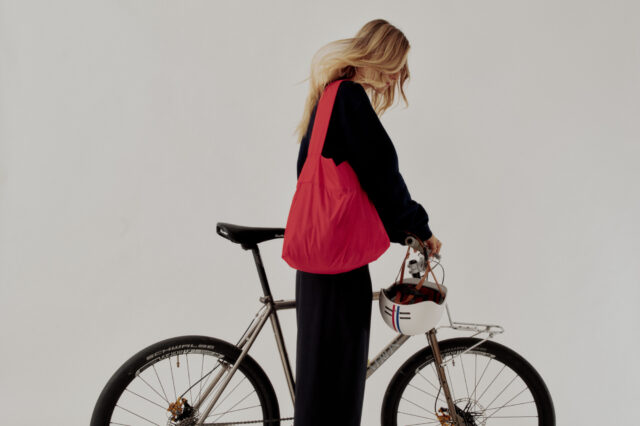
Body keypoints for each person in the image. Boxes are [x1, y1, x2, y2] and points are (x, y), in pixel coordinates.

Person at [291, 19, 442, 426]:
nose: (398, 76)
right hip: (340, 266)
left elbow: (311, 172)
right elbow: (381, 176)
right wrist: (418, 229)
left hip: (318, 261)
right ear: (380, 56)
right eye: (396, 65)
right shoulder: (350, 98)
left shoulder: (328, 96)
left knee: (320, 383)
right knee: (337, 385)